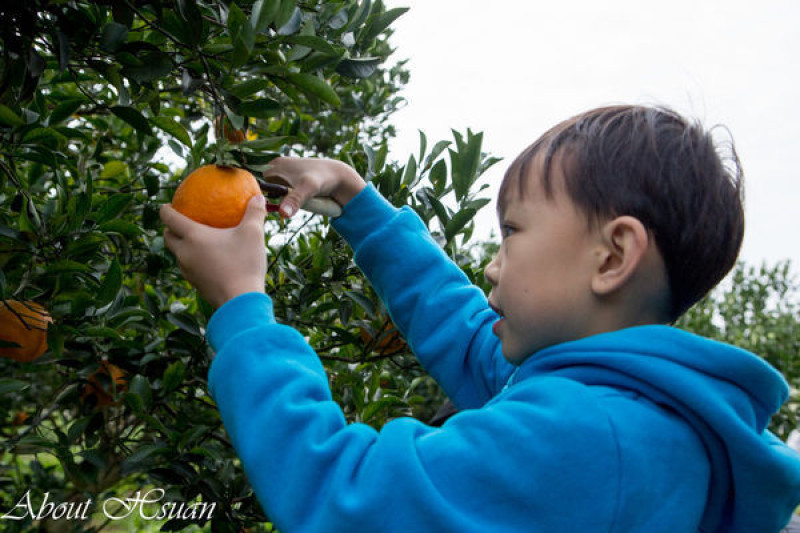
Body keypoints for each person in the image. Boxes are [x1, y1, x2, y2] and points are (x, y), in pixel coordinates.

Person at [160, 105, 800, 532]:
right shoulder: (628, 409)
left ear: (612, 256)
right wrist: (357, 202)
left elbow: (344, 498)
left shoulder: (586, 438)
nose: (492, 267)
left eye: (513, 232)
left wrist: (243, 306)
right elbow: (469, 336)